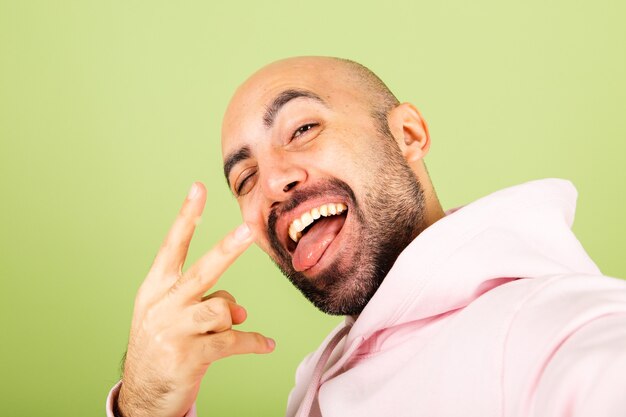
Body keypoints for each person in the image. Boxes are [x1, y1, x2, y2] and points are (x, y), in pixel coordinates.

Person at [107, 56, 626, 417]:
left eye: (303, 129)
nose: (272, 182)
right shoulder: (318, 375)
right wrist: (145, 406)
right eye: (245, 179)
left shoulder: (545, 326)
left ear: (408, 136)